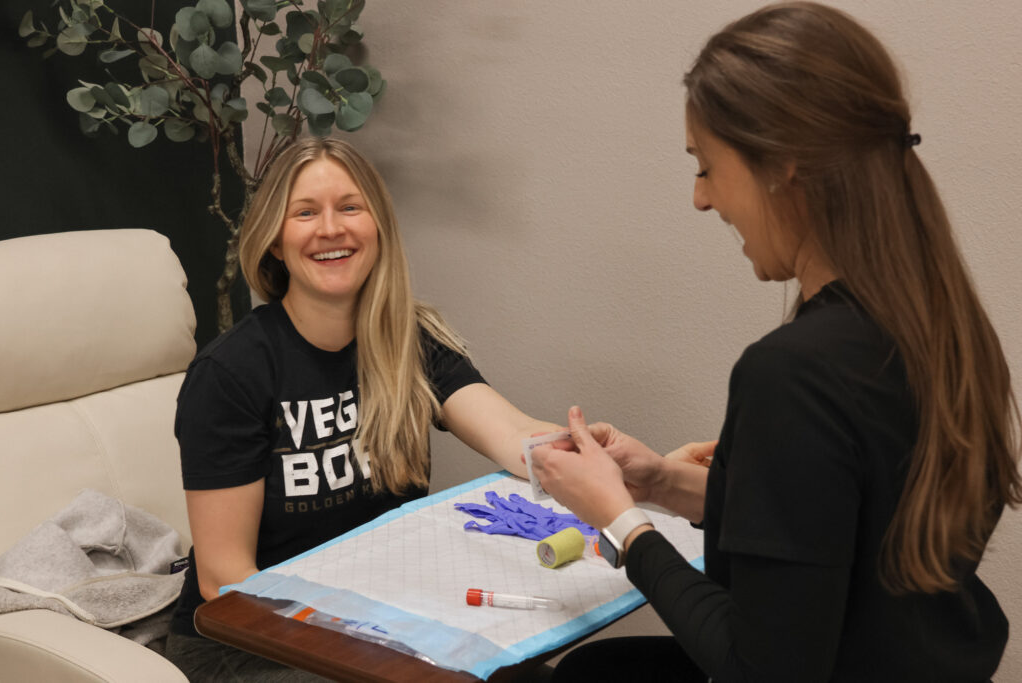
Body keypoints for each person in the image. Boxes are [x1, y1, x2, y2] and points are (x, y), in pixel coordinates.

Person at [531, 3, 1021, 682]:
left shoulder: (792, 374)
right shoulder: (943, 324)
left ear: (783, 164)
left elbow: (763, 669)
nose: (702, 199)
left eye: (706, 167)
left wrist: (618, 521)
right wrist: (666, 484)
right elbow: (848, 537)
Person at [164, 137, 562, 681]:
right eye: (305, 213)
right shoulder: (231, 374)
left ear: (378, 228)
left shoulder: (410, 341)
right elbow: (225, 579)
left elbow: (517, 436)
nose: (331, 229)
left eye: (350, 207)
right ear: (276, 242)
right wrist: (369, 642)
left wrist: (619, 463)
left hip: (379, 611)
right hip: (248, 640)